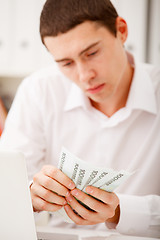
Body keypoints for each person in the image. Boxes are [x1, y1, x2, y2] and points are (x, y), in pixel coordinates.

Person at [0, 0, 160, 238]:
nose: (85, 76)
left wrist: (120, 211)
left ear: (122, 31)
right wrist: (30, 195)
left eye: (92, 53)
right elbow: (5, 191)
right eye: (66, 63)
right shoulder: (39, 90)